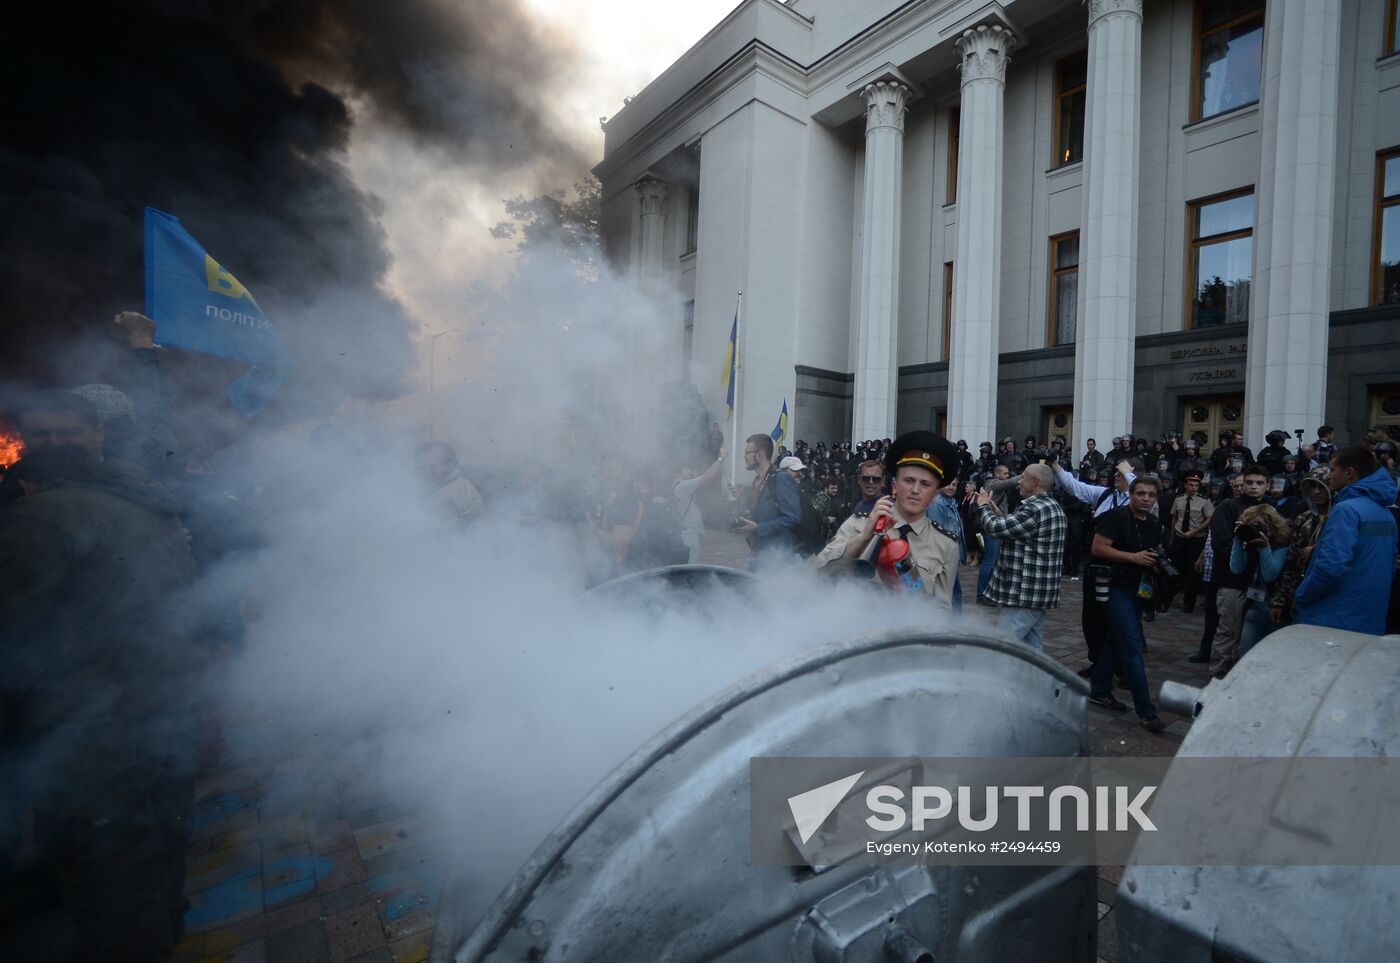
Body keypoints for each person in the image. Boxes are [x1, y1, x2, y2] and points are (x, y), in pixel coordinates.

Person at [0, 442, 202, 960]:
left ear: (27, 485)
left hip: (91, 718)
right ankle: (164, 929)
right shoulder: (144, 505)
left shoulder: (43, 516)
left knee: (107, 859)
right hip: (169, 696)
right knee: (161, 832)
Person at [813, 431, 961, 611]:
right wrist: (864, 538)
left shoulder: (946, 544)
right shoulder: (859, 525)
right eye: (908, 480)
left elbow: (941, 608)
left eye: (925, 484)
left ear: (935, 495)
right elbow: (819, 574)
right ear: (894, 486)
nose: (915, 490)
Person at [1087, 477, 1167, 733]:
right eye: (1141, 493)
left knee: (1115, 642)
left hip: (1138, 589)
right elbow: (1098, 548)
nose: (1145, 498)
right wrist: (1133, 557)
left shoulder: (1154, 523)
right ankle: (1146, 710)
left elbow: (1153, 551)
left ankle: (1099, 690)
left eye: (1151, 495)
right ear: (1131, 494)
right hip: (1115, 587)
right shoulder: (1116, 517)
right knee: (1133, 648)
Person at [1293, 447, 1398, 634]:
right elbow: (1389, 568)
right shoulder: (1386, 514)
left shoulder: (1346, 510)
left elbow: (1330, 569)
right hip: (1370, 619)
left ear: (1349, 473)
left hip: (1333, 619)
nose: (1330, 476)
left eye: (1333, 470)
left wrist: (1301, 594)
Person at [1052, 456, 1139, 675]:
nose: (1116, 476)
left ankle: (1122, 669)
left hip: (1122, 566)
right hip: (1096, 565)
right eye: (1116, 473)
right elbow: (1075, 487)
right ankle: (1098, 661)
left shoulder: (1137, 498)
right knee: (1092, 617)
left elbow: (1138, 488)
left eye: (1121, 474)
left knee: (1119, 619)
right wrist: (1055, 466)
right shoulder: (1105, 494)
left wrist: (1128, 471)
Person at [974, 464, 1066, 650]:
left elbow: (997, 529)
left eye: (1023, 477)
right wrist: (995, 511)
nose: (1019, 482)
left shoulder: (1036, 508)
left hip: (1024, 594)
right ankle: (1031, 680)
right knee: (1031, 649)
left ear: (1035, 482)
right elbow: (1016, 530)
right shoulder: (1049, 505)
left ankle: (1003, 679)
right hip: (1033, 593)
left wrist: (983, 506)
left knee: (1004, 647)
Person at [1206, 464, 1271, 677]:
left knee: (1253, 634)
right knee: (1228, 632)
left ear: (1267, 485)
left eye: (1259, 483)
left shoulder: (1271, 509)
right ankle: (1217, 677)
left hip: (1261, 582)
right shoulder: (1228, 507)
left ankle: (1242, 677)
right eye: (1249, 482)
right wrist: (1245, 551)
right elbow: (1220, 543)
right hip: (1231, 581)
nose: (1253, 487)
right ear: (1242, 483)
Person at [1229, 504, 1290, 661]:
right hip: (1255, 608)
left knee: (1272, 659)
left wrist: (1264, 547)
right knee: (1245, 654)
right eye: (1252, 524)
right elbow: (1236, 569)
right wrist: (1237, 540)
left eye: (1260, 525)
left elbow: (1271, 574)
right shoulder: (1249, 542)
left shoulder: (1280, 544)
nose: (1256, 529)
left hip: (1277, 611)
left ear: (1272, 526)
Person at [732, 433, 802, 565]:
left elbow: (793, 518)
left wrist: (758, 527)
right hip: (758, 552)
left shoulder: (781, 478)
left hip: (779, 557)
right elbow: (761, 510)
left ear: (760, 455)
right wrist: (743, 497)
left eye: (747, 452)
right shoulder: (757, 481)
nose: (744, 457)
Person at [1166, 469, 1212, 612]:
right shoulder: (1178, 499)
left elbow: (1210, 519)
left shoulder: (1205, 501)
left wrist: (1194, 531)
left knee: (1192, 574)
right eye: (1191, 485)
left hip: (1195, 541)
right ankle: (1167, 599)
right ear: (1185, 485)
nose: (1193, 488)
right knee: (1173, 570)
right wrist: (1172, 537)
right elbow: (1174, 517)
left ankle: (1189, 603)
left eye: (1196, 485)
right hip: (1179, 539)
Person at [672, 448, 727, 564]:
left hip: (683, 533)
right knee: (690, 568)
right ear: (678, 473)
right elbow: (708, 476)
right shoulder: (683, 486)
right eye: (686, 469)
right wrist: (721, 459)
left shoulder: (676, 486)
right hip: (688, 535)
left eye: (690, 469)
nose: (690, 471)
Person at [414, 441, 485, 529]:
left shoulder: (455, 491)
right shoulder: (459, 483)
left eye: (435, 466)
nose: (429, 472)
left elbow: (443, 535)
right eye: (424, 467)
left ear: (451, 465)